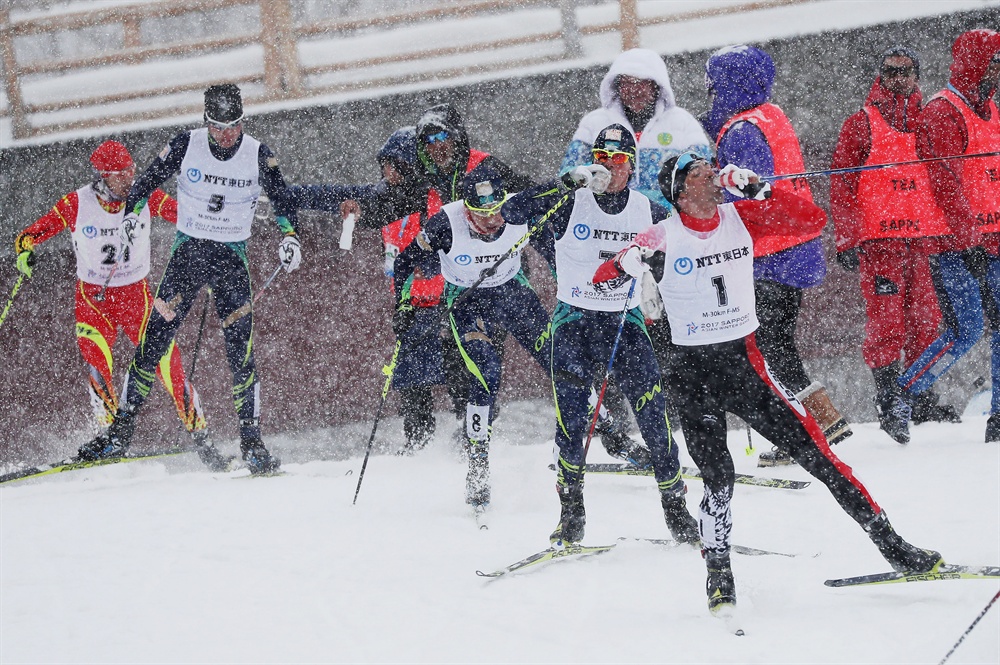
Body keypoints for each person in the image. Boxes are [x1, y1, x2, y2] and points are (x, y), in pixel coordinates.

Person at [596, 152, 942, 615]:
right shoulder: (662, 234)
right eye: (702, 174)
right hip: (690, 374)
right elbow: (604, 278)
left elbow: (811, 220)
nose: (714, 177)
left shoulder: (741, 217)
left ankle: (893, 545)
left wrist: (757, 189)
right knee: (718, 479)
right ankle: (718, 573)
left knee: (820, 457)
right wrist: (626, 262)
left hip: (745, 367)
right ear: (681, 190)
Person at [76, 84, 300, 475]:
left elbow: (283, 200)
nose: (226, 135)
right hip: (189, 256)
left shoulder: (258, 153)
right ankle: (120, 434)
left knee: (240, 356)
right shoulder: (186, 144)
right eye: (217, 126)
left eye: (233, 126)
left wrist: (290, 236)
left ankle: (252, 443)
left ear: (242, 122)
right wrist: (131, 213)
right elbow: (144, 184)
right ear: (206, 122)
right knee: (152, 346)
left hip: (231, 261)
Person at [502, 124, 700, 546]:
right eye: (602, 158)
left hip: (624, 325)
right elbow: (513, 211)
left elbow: (685, 248)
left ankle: (675, 508)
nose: (609, 166)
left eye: (619, 159)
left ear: (632, 166)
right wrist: (565, 182)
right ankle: (571, 513)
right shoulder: (569, 201)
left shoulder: (648, 208)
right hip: (573, 321)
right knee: (573, 423)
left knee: (654, 415)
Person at [13, 141, 229, 470]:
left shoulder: (145, 194)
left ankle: (203, 440)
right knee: (97, 368)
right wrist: (25, 251)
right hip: (93, 302)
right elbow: (29, 234)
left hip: (136, 300)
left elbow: (184, 215)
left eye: (131, 170)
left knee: (170, 364)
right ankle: (110, 439)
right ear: (103, 177)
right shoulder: (77, 203)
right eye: (121, 174)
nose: (130, 178)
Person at [703, 44, 851, 466]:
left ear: (727, 83)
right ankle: (821, 419)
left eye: (714, 83)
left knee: (768, 349)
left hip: (769, 254)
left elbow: (748, 193)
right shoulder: (770, 115)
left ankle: (808, 427)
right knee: (778, 343)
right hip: (796, 246)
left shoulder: (740, 132)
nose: (710, 91)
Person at [561, 49, 713, 455]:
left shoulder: (682, 126)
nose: (634, 91)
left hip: (660, 240)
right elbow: (567, 178)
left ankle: (671, 429)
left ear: (657, 87)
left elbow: (704, 180)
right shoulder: (595, 124)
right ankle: (616, 434)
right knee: (601, 339)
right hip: (602, 241)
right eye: (625, 83)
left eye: (642, 84)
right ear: (615, 87)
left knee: (663, 335)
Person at [392, 166, 554, 510]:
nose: (492, 221)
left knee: (557, 360)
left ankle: (607, 433)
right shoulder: (445, 224)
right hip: (468, 300)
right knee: (485, 373)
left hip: (512, 291)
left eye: (496, 211)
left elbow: (554, 234)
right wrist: (403, 305)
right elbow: (406, 261)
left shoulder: (517, 209)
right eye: (481, 215)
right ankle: (478, 464)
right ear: (466, 208)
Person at [288, 127, 446, 454]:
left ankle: (469, 431)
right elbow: (339, 196)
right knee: (410, 378)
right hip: (410, 304)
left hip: (443, 301)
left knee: (457, 368)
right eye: (384, 166)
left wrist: (424, 276)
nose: (387, 173)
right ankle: (420, 443)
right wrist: (290, 194)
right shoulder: (386, 199)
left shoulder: (432, 200)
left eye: (395, 166)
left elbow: (441, 250)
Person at [830, 47, 960, 443]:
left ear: (917, 75)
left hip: (925, 241)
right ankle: (889, 401)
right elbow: (842, 182)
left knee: (926, 321)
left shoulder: (931, 120)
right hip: (881, 244)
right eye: (891, 72)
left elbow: (949, 176)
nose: (899, 79)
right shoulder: (861, 123)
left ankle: (920, 398)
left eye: (906, 72)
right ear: (880, 77)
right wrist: (848, 237)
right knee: (888, 324)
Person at [899, 29, 1000, 444]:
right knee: (966, 331)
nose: (998, 68)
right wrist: (968, 238)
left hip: (992, 239)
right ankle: (901, 394)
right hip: (958, 245)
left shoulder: (990, 107)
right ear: (977, 64)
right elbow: (945, 182)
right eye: (994, 61)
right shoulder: (944, 111)